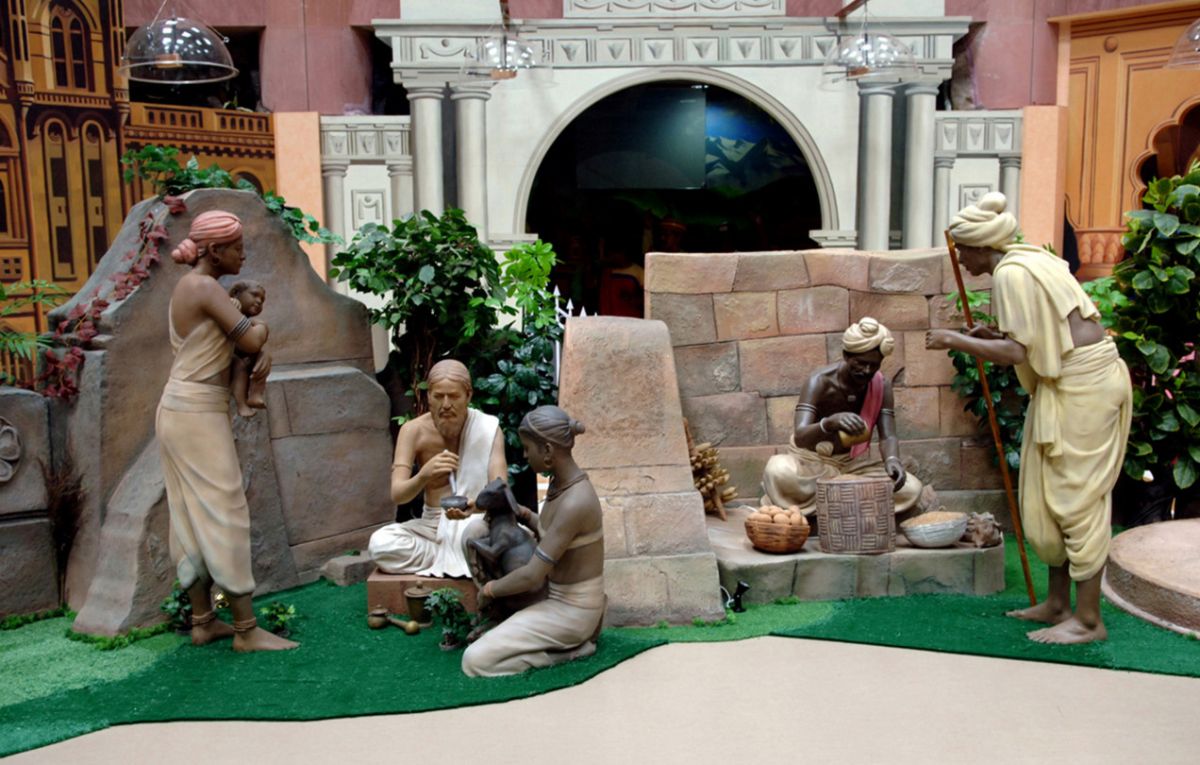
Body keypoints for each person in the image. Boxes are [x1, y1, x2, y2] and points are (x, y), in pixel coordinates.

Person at [926, 191, 1131, 645]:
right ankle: (1058, 604)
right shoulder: (1030, 259)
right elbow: (1042, 331)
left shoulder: (1012, 273)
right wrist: (990, 334)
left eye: (962, 249)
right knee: (1046, 490)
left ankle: (1089, 621)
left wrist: (954, 340)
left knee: (1075, 498)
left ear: (981, 244)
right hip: (1069, 385)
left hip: (1085, 387)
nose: (960, 259)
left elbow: (1018, 352)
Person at [158, 210, 295, 651]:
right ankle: (245, 629)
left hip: (188, 409)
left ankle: (203, 621)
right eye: (237, 247)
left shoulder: (194, 287)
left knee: (189, 514)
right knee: (226, 510)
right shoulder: (203, 288)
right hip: (194, 412)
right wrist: (262, 330)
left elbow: (231, 346)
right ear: (214, 251)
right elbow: (249, 340)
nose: (243, 255)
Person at [461, 406, 605, 677]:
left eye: (528, 449)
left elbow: (531, 576)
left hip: (572, 610)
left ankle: (569, 651)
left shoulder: (576, 501)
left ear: (548, 451)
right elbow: (552, 533)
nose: (525, 456)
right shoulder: (560, 484)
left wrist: (489, 590)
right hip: (551, 592)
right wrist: (524, 514)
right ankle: (512, 624)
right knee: (476, 531)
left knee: (475, 661)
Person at [761, 317, 935, 518]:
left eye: (874, 365)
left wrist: (892, 459)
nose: (867, 371)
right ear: (846, 355)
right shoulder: (819, 381)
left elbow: (888, 436)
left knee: (912, 489)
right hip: (810, 464)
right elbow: (801, 436)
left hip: (852, 468)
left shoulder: (881, 386)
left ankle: (833, 505)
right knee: (777, 471)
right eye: (860, 363)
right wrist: (829, 423)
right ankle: (849, 506)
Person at [367, 359, 508, 578]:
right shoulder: (413, 431)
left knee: (510, 538)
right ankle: (457, 557)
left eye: (454, 396)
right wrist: (424, 475)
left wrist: (475, 506)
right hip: (432, 527)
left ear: (468, 396)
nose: (446, 404)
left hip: (476, 524)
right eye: (438, 396)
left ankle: (456, 555)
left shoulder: (487, 428)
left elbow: (500, 492)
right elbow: (398, 495)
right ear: (428, 397)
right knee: (381, 544)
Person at [227, 280, 268, 418]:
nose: (259, 301)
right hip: (224, 356)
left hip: (239, 352)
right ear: (236, 293)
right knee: (239, 364)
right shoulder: (229, 307)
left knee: (264, 356)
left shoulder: (249, 321)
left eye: (262, 299)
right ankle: (241, 404)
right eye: (254, 295)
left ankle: (255, 393)